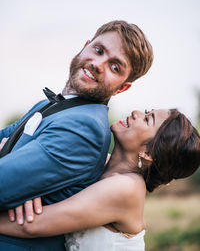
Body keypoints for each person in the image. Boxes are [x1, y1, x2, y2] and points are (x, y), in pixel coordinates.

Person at [0, 20, 153, 250]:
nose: (98, 64)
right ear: (85, 46)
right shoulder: (49, 104)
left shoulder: (84, 129)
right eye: (98, 50)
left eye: (114, 67)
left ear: (122, 87)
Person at [0, 109, 199, 251]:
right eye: (147, 111)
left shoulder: (127, 188)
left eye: (147, 119)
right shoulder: (100, 162)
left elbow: (32, 225)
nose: (137, 112)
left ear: (148, 153)